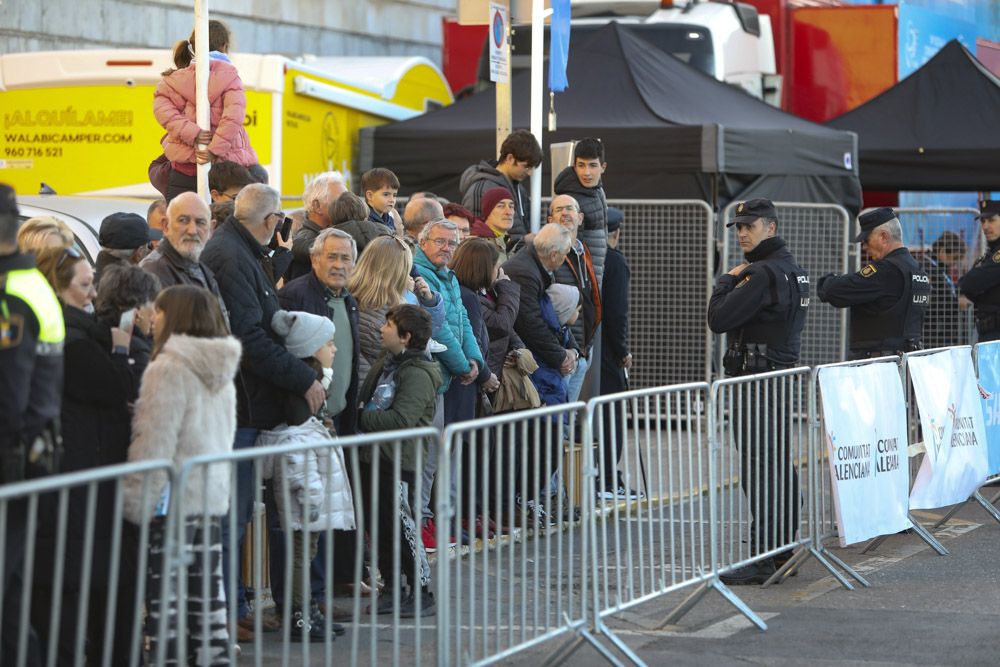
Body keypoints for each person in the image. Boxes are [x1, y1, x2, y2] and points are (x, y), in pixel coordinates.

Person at [201, 183, 323, 638]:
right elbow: (249, 339)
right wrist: (303, 378)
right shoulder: (231, 255)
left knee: (236, 516)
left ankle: (235, 605)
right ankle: (227, 613)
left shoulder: (242, 251)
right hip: (240, 406)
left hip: (249, 404)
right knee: (229, 517)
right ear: (271, 220)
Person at [33, 249, 151, 666]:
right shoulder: (70, 337)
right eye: (84, 285)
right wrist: (121, 352)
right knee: (72, 598)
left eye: (92, 283)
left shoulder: (80, 331)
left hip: (91, 480)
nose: (93, 294)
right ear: (57, 287)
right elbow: (110, 386)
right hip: (80, 480)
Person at [122, 284, 240, 665]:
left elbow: (154, 441)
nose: (152, 319)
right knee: (205, 595)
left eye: (159, 312)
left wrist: (136, 502)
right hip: (209, 494)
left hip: (170, 501)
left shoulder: (168, 367)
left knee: (167, 600)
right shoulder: (221, 367)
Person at [707, 198, 808, 586]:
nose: (743, 233)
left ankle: (767, 556)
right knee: (775, 462)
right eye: (739, 227)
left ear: (772, 227)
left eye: (751, 226)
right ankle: (781, 549)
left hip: (757, 378)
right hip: (776, 376)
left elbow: (719, 319)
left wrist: (726, 281)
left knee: (760, 466)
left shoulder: (761, 274)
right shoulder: (792, 270)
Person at [278, 227, 364, 610]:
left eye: (346, 258)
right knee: (307, 517)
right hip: (306, 422)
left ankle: (325, 589)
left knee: (330, 510)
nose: (339, 265)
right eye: (332, 256)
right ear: (314, 259)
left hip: (339, 418)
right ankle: (307, 599)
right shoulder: (296, 295)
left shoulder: (350, 299)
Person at [261, 310, 353, 642]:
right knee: (301, 550)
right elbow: (300, 428)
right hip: (304, 488)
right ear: (312, 348)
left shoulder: (313, 378)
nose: (335, 349)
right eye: (329, 343)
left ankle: (307, 607)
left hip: (309, 485)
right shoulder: (299, 388)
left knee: (308, 548)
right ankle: (300, 613)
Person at [0, 185, 64, 664]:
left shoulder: (11, 293)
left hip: (12, 457)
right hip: (28, 454)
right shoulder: (28, 284)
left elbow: (8, 397)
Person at [357, 304, 442, 617]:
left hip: (397, 461)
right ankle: (392, 588)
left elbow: (402, 419)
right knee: (380, 529)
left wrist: (361, 419)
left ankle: (421, 591)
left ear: (405, 337)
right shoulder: (388, 361)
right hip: (374, 456)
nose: (381, 329)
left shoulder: (417, 373)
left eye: (388, 325)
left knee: (402, 529)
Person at [413, 220, 485, 545]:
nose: (446, 248)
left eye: (452, 243)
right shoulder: (420, 273)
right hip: (431, 378)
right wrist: (461, 364)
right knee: (426, 460)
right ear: (423, 241)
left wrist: (475, 361)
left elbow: (463, 321)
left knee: (437, 458)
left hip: (445, 379)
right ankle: (420, 523)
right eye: (440, 241)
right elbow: (436, 327)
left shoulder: (450, 277)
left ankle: (429, 520)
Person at [154, 19, 258, 203]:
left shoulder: (173, 79)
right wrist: (213, 151)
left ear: (192, 46)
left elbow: (164, 113)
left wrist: (192, 133)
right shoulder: (231, 77)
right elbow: (233, 119)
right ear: (224, 46)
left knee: (182, 225)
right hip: (225, 173)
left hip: (183, 169)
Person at [818, 207, 928, 359]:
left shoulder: (886, 271)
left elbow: (832, 291)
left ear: (883, 237)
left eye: (866, 240)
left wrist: (829, 280)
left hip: (878, 368)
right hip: (907, 364)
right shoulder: (918, 270)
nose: (864, 247)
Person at [141, 191, 229, 323]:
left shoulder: (199, 267)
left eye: (200, 222)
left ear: (211, 229)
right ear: (165, 226)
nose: (192, 230)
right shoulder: (152, 271)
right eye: (183, 220)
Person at [548, 195, 602, 404]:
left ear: (580, 218)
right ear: (550, 218)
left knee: (566, 418)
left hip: (582, 350)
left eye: (569, 209)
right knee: (555, 421)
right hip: (561, 352)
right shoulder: (548, 251)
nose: (565, 213)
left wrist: (585, 348)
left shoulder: (582, 251)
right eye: (559, 209)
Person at [599, 207, 636, 499]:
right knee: (611, 416)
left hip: (588, 347)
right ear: (617, 232)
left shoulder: (589, 258)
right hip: (608, 353)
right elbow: (617, 312)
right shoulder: (615, 262)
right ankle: (609, 478)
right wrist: (623, 350)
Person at [460, 129, 543, 242]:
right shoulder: (481, 187)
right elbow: (473, 232)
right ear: (510, 158)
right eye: (526, 166)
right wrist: (522, 241)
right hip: (492, 257)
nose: (530, 173)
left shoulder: (519, 189)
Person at [553, 138, 609, 285]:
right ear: (574, 166)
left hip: (594, 277)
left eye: (592, 165)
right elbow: (567, 252)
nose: (587, 173)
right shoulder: (570, 201)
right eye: (581, 165)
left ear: (603, 167)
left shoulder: (597, 191)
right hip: (581, 283)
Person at [93, 264, 161, 378]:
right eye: (154, 307)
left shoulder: (93, 333)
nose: (155, 316)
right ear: (137, 311)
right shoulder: (139, 356)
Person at [289, 172, 347, 280]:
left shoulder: (328, 234)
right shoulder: (306, 245)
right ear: (317, 206)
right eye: (341, 200)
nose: (348, 204)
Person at [959, 199, 1000, 342]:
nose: (986, 226)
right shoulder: (991, 253)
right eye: (983, 221)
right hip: (989, 334)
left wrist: (970, 282)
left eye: (991, 220)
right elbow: (969, 288)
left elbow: (969, 283)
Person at [920, 231, 966, 348]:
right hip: (932, 335)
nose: (955, 263)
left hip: (941, 334)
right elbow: (936, 302)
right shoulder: (928, 269)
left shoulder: (939, 269)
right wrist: (957, 303)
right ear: (942, 251)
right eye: (954, 257)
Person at [94, 212, 161, 285]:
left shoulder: (88, 283)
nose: (151, 250)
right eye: (149, 246)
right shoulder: (138, 290)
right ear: (139, 253)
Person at [469, 187, 516, 262]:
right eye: (500, 206)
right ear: (487, 211)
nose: (508, 212)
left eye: (511, 206)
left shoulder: (510, 242)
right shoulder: (477, 244)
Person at [360, 167, 399, 233]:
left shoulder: (390, 220)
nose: (392, 200)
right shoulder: (364, 221)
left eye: (394, 195)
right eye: (386, 194)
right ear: (370, 196)